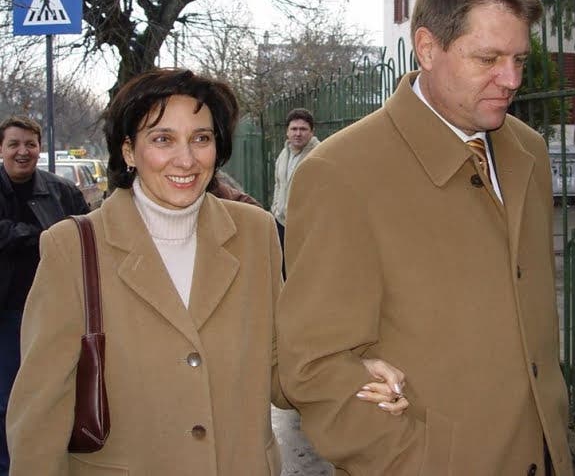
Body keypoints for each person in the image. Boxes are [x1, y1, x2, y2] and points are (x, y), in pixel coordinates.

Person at [7, 68, 407, 476]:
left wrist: (351, 376)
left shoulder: (255, 233)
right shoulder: (72, 247)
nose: (186, 159)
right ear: (128, 151)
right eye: (163, 139)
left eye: (201, 138)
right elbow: (40, 412)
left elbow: (281, 366)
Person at [277, 0, 573, 476]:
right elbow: (315, 367)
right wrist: (419, 461)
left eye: (519, 59)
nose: (512, 80)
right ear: (428, 48)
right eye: (488, 58)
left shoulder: (528, 150)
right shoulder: (340, 173)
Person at [0, 116, 89, 475]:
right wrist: (41, 236)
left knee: (53, 394)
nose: (22, 152)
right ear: (1, 148)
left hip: (56, 312)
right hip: (7, 315)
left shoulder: (62, 192)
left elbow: (85, 238)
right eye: (14, 144)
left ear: (39, 148)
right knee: (8, 398)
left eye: (30, 144)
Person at [271, 108, 319, 276]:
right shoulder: (284, 154)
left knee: (303, 274)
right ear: (287, 132)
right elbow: (278, 184)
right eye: (294, 129)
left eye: (303, 129)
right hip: (282, 223)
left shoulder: (319, 155)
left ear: (312, 132)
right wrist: (275, 208)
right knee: (282, 272)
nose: (298, 133)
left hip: (305, 228)